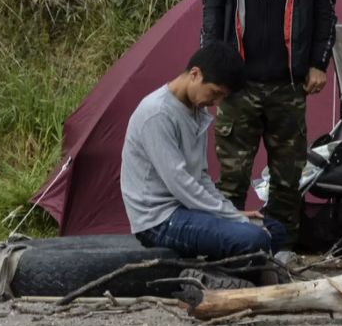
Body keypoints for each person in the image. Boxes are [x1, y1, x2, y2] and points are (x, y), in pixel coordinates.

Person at [201, 0, 337, 253]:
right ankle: (225, 252)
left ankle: (282, 252)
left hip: (288, 83)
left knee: (286, 178)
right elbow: (214, 5)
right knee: (231, 179)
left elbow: (325, 6)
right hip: (237, 85)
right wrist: (211, 65)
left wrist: (318, 63)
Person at [121, 42, 286, 261]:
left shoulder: (196, 110)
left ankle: (222, 273)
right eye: (215, 93)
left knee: (275, 230)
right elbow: (181, 184)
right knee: (254, 238)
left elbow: (200, 176)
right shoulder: (157, 114)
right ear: (195, 74)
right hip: (159, 221)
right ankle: (215, 279)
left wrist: (231, 212)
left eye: (222, 97)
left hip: (187, 211)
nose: (217, 102)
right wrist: (235, 219)